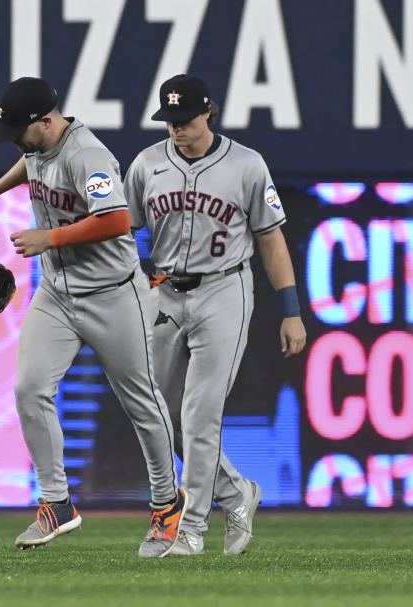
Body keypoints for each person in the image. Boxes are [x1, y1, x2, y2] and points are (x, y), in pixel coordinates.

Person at [0, 77, 186, 558]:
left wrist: (47, 239)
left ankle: (166, 504)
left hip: (115, 296)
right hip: (57, 293)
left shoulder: (87, 155)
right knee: (29, 388)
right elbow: (32, 162)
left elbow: (116, 219)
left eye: (20, 129)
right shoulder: (37, 143)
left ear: (47, 121)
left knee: (141, 403)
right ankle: (57, 503)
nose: (15, 138)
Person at [124, 74, 307, 555]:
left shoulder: (247, 165)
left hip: (224, 289)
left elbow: (271, 239)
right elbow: (121, 233)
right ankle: (236, 492)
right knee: (162, 416)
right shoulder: (146, 164)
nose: (176, 129)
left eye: (185, 120)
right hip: (164, 291)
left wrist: (291, 311)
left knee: (200, 413)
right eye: (169, 120)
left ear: (210, 112)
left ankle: (191, 528)